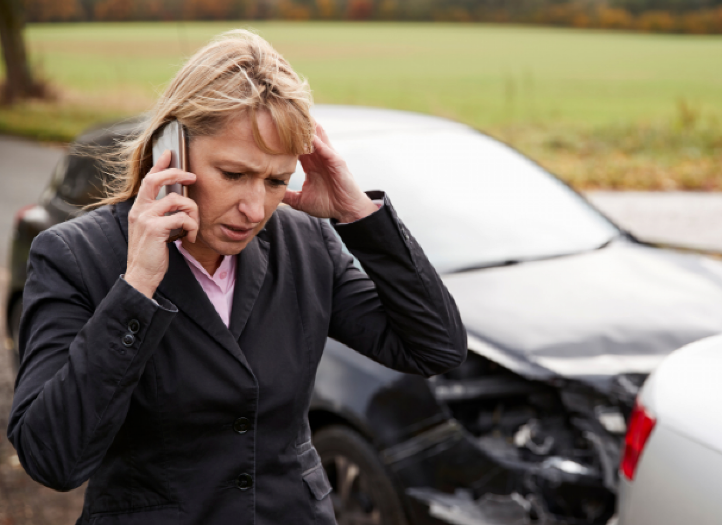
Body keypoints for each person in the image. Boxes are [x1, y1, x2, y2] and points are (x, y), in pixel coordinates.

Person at [7, 30, 466, 525]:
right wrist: (136, 287)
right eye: (232, 174)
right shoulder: (76, 256)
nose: (254, 209)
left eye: (274, 181)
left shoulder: (307, 243)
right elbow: (51, 458)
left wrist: (358, 215)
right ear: (173, 150)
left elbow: (433, 348)